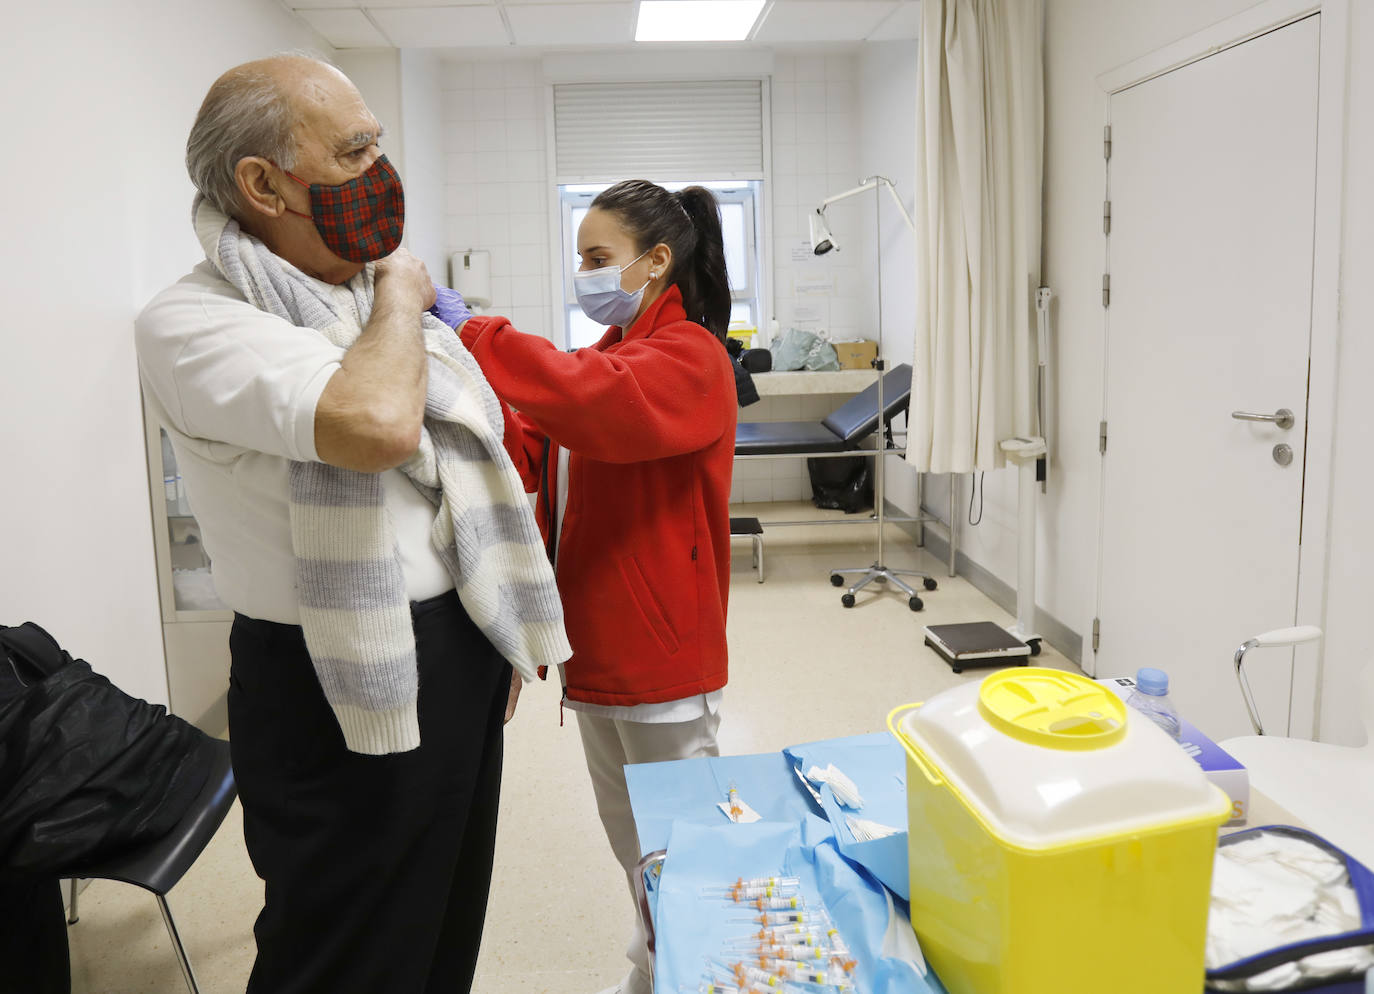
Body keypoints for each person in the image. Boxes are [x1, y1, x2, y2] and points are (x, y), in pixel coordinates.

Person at [134, 54, 571, 994]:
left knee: (444, 913)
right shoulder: (193, 321)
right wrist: (404, 298)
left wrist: (489, 634)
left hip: (455, 645)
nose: (380, 171)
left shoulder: (357, 296)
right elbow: (375, 427)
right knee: (343, 946)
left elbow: (455, 474)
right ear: (262, 184)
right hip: (332, 678)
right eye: (355, 150)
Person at [458, 179, 737, 994]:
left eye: (597, 258)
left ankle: (702, 972)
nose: (584, 273)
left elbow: (592, 404)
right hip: (601, 653)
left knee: (680, 841)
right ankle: (658, 964)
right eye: (579, 257)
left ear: (656, 263)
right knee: (632, 839)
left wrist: (477, 331)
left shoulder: (691, 359)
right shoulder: (615, 357)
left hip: (660, 655)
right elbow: (542, 437)